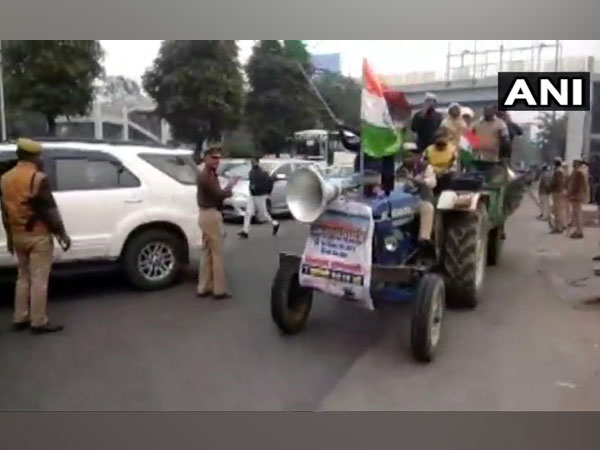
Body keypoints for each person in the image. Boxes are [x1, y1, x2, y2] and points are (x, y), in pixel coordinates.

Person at [0, 138, 71, 334]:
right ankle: (38, 321)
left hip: (18, 234)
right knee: (39, 279)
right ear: (33, 156)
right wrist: (62, 234)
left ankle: (20, 317)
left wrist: (10, 238)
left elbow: (4, 211)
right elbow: (49, 211)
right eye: (39, 155)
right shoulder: (38, 179)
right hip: (38, 236)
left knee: (22, 277)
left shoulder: (5, 178)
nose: (41, 158)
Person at [196, 144, 239, 300]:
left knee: (207, 252)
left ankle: (203, 287)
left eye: (218, 159)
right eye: (213, 158)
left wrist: (227, 188)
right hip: (210, 214)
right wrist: (230, 187)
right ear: (206, 158)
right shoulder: (207, 176)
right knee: (217, 253)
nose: (216, 161)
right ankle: (219, 290)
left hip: (205, 215)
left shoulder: (208, 174)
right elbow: (218, 195)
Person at [398, 148, 437, 258]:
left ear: (417, 156)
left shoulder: (425, 167)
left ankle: (424, 241)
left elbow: (432, 183)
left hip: (419, 200)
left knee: (427, 207)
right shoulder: (399, 170)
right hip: (401, 202)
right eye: (405, 155)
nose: (407, 158)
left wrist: (420, 181)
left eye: (410, 155)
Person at [238, 157, 280, 239]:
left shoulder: (260, 172)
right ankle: (245, 231)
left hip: (259, 195)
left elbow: (262, 182)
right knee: (248, 213)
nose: (252, 163)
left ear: (257, 162)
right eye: (251, 161)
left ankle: (275, 223)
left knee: (264, 214)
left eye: (253, 161)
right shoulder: (254, 171)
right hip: (253, 195)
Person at [567, 159, 590, 239]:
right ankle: (578, 230)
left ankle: (579, 231)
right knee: (576, 213)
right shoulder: (581, 171)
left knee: (577, 214)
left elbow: (577, 185)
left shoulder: (578, 172)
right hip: (577, 195)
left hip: (576, 196)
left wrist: (571, 193)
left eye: (574, 163)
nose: (573, 164)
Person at [549, 157, 567, 234]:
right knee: (560, 210)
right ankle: (561, 225)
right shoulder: (561, 170)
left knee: (557, 210)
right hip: (560, 191)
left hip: (557, 192)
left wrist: (551, 186)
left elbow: (557, 182)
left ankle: (558, 228)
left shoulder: (558, 171)